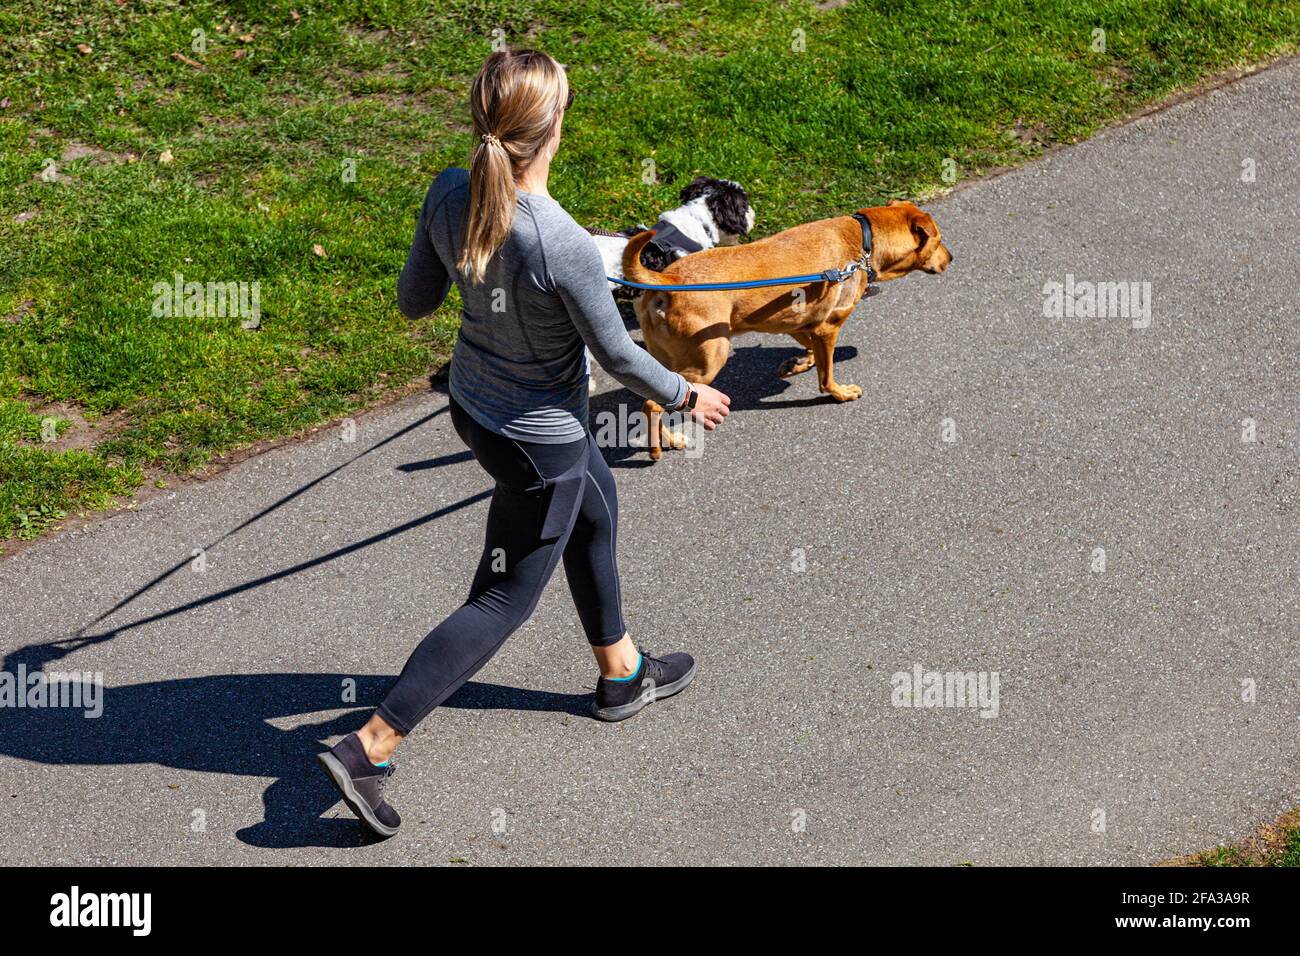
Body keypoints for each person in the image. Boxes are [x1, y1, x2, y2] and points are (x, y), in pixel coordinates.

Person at [316, 48, 731, 837]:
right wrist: (685, 393)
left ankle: (622, 672)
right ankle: (370, 745)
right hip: (538, 443)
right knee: (503, 598)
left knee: (597, 507)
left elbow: (414, 301)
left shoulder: (449, 190)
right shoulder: (561, 243)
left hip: (478, 410)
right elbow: (615, 355)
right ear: (553, 129)